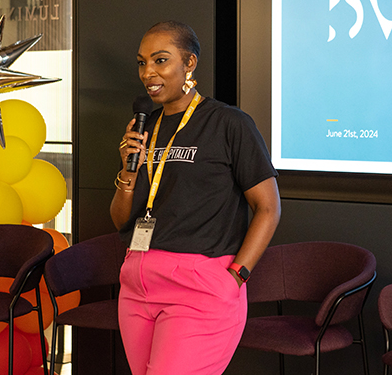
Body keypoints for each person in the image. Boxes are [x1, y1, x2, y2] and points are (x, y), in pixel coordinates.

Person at [110, 21, 281, 375]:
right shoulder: (146, 127)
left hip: (199, 289)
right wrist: (128, 171)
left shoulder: (230, 123)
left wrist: (236, 276)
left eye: (160, 60)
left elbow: (268, 207)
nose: (148, 73)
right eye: (142, 63)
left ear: (189, 63)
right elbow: (121, 221)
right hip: (137, 283)